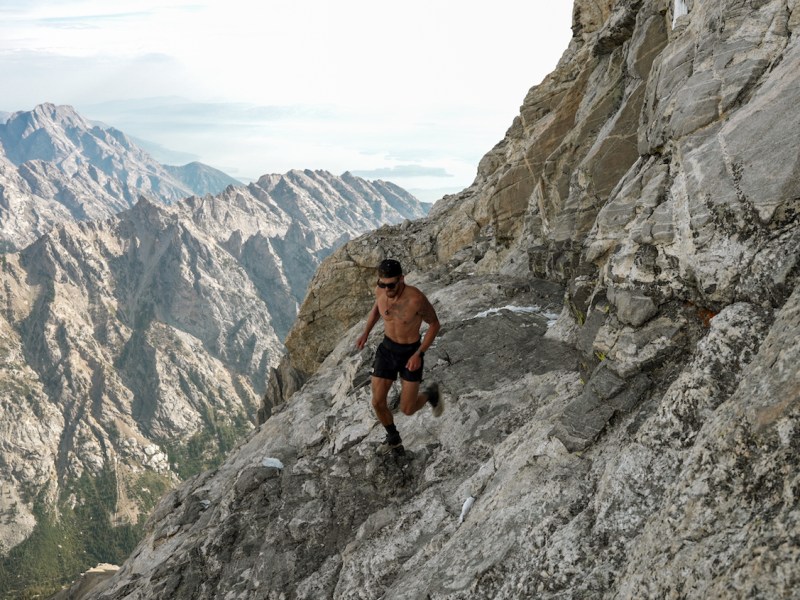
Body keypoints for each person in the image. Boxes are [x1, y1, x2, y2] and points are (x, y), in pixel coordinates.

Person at [355, 258, 442, 455]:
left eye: (391, 285)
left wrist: (419, 354)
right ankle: (393, 438)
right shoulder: (381, 291)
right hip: (387, 350)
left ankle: (430, 393)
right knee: (377, 402)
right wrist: (366, 333)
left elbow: (435, 325)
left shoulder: (416, 299)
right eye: (382, 284)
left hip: (410, 353)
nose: (387, 289)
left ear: (402, 279)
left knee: (408, 409)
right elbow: (377, 310)